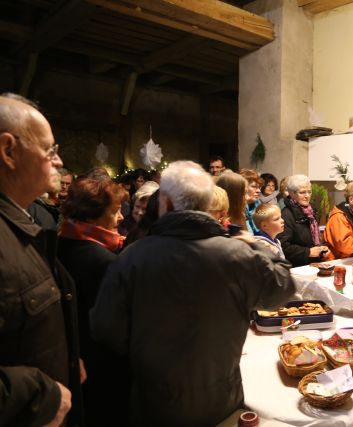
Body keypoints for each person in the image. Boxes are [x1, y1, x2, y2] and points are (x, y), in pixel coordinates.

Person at [90, 161, 296, 426]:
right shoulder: (238, 254)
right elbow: (284, 288)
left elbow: (106, 331)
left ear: (164, 203)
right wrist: (256, 247)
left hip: (156, 399)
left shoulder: (132, 257)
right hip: (220, 395)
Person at [0, 93, 82, 426]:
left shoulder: (23, 219)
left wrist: (68, 357)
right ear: (9, 152)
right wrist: (37, 394)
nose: (59, 162)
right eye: (50, 150)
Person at [57, 178, 130, 426]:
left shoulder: (60, 242)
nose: (120, 218)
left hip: (71, 358)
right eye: (114, 211)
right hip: (100, 364)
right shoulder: (103, 261)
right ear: (90, 217)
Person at [279, 174, 330, 267]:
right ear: (292, 194)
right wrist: (308, 252)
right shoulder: (286, 214)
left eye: (309, 192)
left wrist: (320, 250)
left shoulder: (310, 211)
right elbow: (283, 246)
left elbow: (311, 239)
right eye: (302, 192)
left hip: (311, 265)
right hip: (296, 268)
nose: (307, 196)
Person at [240, 168, 263, 235]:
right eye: (254, 186)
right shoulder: (236, 210)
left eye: (259, 187)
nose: (259, 191)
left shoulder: (259, 205)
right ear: (243, 187)